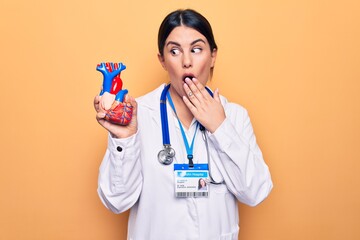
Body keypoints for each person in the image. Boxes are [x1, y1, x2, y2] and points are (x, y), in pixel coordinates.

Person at [94, 9, 273, 240]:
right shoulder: (139, 115)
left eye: (196, 49)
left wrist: (220, 128)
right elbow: (116, 201)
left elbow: (256, 192)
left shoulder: (234, 116)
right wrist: (125, 140)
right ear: (162, 60)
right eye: (175, 51)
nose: (187, 62)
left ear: (213, 56)